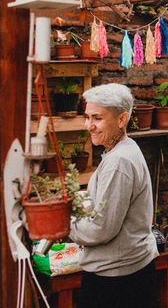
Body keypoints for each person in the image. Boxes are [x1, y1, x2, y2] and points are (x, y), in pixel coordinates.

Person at [69, 83, 158, 308]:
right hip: (125, 270)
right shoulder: (120, 150)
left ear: (122, 119)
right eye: (87, 117)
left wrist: (64, 224)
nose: (89, 125)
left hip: (117, 280)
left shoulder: (119, 161)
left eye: (97, 118)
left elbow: (102, 228)